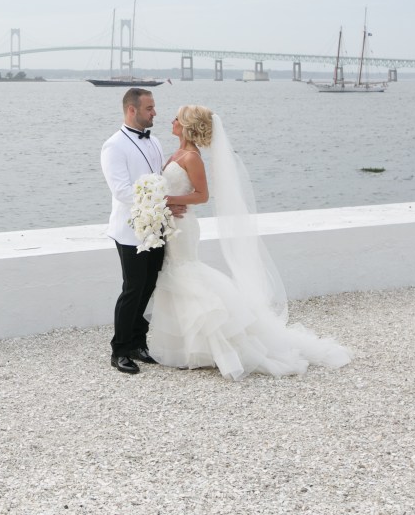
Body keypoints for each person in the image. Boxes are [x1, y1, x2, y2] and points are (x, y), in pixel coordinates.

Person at [147, 105, 353, 380]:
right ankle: (188, 346)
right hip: (171, 223)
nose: (171, 120)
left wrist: (167, 200)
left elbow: (202, 196)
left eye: (177, 117)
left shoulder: (192, 157)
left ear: (187, 125)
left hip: (183, 226)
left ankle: (222, 346)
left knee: (186, 273)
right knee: (176, 274)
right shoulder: (177, 152)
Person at [100, 87, 186, 374]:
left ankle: (138, 343)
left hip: (158, 227)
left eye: (154, 107)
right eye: (149, 108)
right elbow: (122, 191)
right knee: (132, 289)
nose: (155, 113)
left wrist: (169, 206)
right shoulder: (113, 146)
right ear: (131, 110)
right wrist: (162, 202)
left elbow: (160, 180)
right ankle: (120, 349)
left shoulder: (156, 142)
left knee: (149, 286)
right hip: (129, 231)